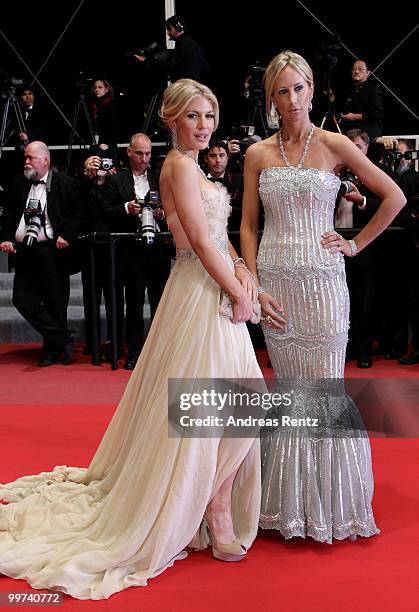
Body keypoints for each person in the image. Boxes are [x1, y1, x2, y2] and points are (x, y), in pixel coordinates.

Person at [0, 79, 262, 599]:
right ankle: (212, 510)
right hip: (197, 292)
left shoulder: (198, 167)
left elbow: (222, 240)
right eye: (193, 117)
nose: (204, 126)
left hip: (214, 288)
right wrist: (238, 292)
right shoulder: (177, 167)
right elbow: (200, 243)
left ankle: (214, 503)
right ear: (171, 119)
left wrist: (242, 274)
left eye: (210, 116)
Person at [240, 50, 405, 542]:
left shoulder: (335, 144)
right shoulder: (257, 154)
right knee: (289, 392)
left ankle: (332, 508)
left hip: (324, 287)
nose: (292, 100)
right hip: (276, 288)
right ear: (271, 96)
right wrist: (252, 282)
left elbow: (393, 196)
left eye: (299, 88)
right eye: (282, 91)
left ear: (313, 89)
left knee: (325, 391)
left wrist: (354, 243)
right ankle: (287, 507)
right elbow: (248, 226)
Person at [0, 141, 85, 366]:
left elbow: (80, 215)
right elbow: (8, 215)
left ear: (46, 160)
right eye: (25, 158)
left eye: (31, 158)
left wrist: (66, 235)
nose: (26, 162)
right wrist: (7, 238)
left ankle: (51, 351)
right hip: (25, 251)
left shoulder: (66, 184)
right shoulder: (18, 183)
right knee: (21, 299)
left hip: (53, 251)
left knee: (55, 302)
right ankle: (63, 338)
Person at [99, 133, 171, 370]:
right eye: (139, 153)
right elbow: (104, 213)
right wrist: (125, 209)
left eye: (148, 153)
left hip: (157, 250)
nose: (144, 158)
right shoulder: (116, 180)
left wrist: (162, 214)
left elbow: (175, 209)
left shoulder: (159, 178)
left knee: (160, 304)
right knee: (135, 304)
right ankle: (135, 353)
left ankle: (161, 354)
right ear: (129, 152)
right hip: (131, 252)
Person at [335, 128, 382, 368]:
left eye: (359, 148)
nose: (353, 153)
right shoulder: (333, 172)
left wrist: (361, 200)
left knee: (364, 303)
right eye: (349, 148)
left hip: (364, 251)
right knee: (342, 304)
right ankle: (349, 348)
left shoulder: (373, 174)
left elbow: (390, 205)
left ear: (366, 149)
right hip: (335, 250)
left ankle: (364, 350)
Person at [134, 15, 209, 83]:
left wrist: (146, 59)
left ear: (177, 27)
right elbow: (205, 68)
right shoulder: (195, 45)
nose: (168, 33)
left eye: (169, 29)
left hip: (184, 87)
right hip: (194, 88)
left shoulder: (182, 43)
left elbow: (170, 65)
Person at [339, 59, 384, 140]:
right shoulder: (350, 90)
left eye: (360, 68)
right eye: (353, 69)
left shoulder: (373, 89)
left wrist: (354, 116)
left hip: (367, 135)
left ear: (368, 72)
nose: (356, 71)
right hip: (351, 134)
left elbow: (377, 113)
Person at [88, 78, 118, 162]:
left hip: (107, 146)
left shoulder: (112, 105)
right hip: (95, 144)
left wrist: (108, 144)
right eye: (95, 87)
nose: (97, 89)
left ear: (107, 89)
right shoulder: (92, 104)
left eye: (100, 87)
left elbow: (115, 127)